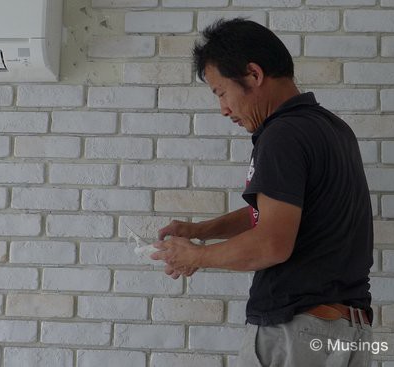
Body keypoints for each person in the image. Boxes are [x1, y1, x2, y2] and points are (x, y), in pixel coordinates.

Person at [150, 18, 374, 367]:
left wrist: (196, 256)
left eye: (221, 92)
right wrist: (200, 232)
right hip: (352, 335)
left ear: (253, 74)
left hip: (296, 334)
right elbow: (280, 210)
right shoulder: (334, 129)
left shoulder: (281, 135)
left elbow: (272, 243)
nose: (223, 109)